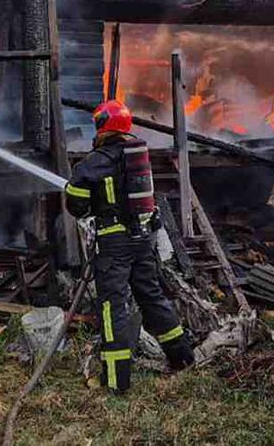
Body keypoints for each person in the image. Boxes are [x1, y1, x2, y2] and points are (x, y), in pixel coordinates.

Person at [64, 100, 194, 393]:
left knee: (113, 307)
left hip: (115, 245)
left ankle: (115, 378)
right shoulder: (139, 154)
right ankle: (183, 357)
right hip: (144, 240)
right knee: (152, 297)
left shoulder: (92, 163)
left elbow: (76, 206)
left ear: (102, 126)